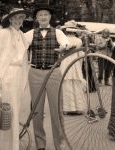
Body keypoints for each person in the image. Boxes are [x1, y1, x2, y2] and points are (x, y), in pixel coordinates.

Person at [24, 4, 71, 150]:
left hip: (54, 73)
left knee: (56, 109)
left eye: (46, 14)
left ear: (50, 17)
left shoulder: (58, 32)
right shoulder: (30, 33)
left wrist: (64, 47)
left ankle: (60, 144)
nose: (43, 17)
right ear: (37, 18)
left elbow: (66, 43)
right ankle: (40, 144)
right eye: (40, 15)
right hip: (35, 73)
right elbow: (18, 45)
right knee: (37, 110)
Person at [0, 8, 30, 150]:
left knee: (11, 113)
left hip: (18, 76)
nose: (18, 20)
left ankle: (9, 146)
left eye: (21, 18)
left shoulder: (23, 36)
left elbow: (25, 59)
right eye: (15, 18)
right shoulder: (2, 33)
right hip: (4, 75)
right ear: (10, 19)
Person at [59, 20, 86, 115]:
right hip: (75, 63)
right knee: (75, 83)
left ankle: (67, 108)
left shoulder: (63, 39)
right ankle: (78, 107)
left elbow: (62, 50)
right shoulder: (79, 40)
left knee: (66, 83)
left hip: (66, 61)